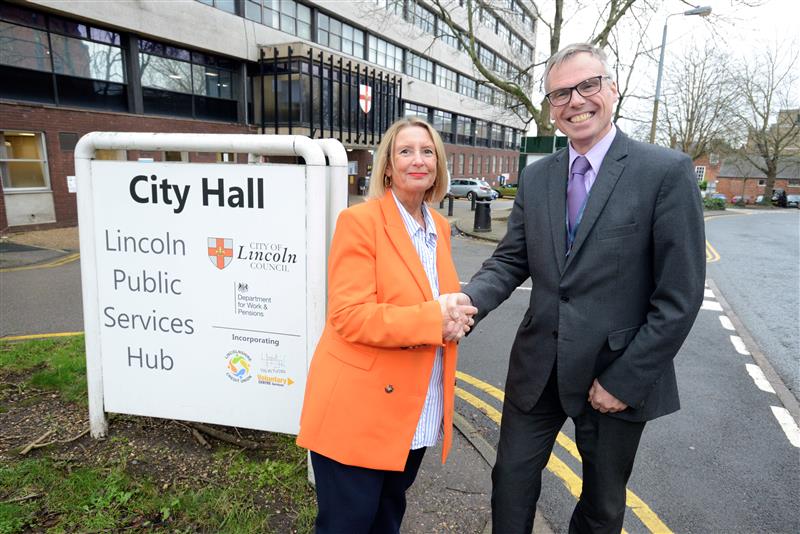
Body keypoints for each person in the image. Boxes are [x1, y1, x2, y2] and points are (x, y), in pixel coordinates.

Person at [452, 43, 706, 533]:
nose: (576, 100)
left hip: (614, 374)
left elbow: (679, 298)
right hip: (538, 369)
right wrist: (469, 302)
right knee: (509, 483)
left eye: (588, 85)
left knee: (603, 507)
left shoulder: (664, 172)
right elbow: (511, 259)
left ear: (612, 90)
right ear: (551, 108)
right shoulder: (538, 175)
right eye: (560, 93)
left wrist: (624, 382)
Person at [296, 117, 477, 533]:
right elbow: (349, 316)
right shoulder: (360, 222)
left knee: (387, 519)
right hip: (359, 414)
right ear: (388, 167)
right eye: (406, 151)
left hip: (415, 410)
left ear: (438, 165)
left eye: (427, 151)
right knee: (348, 524)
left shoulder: (441, 229)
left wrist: (454, 316)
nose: (418, 160)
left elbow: (438, 303)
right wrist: (435, 319)